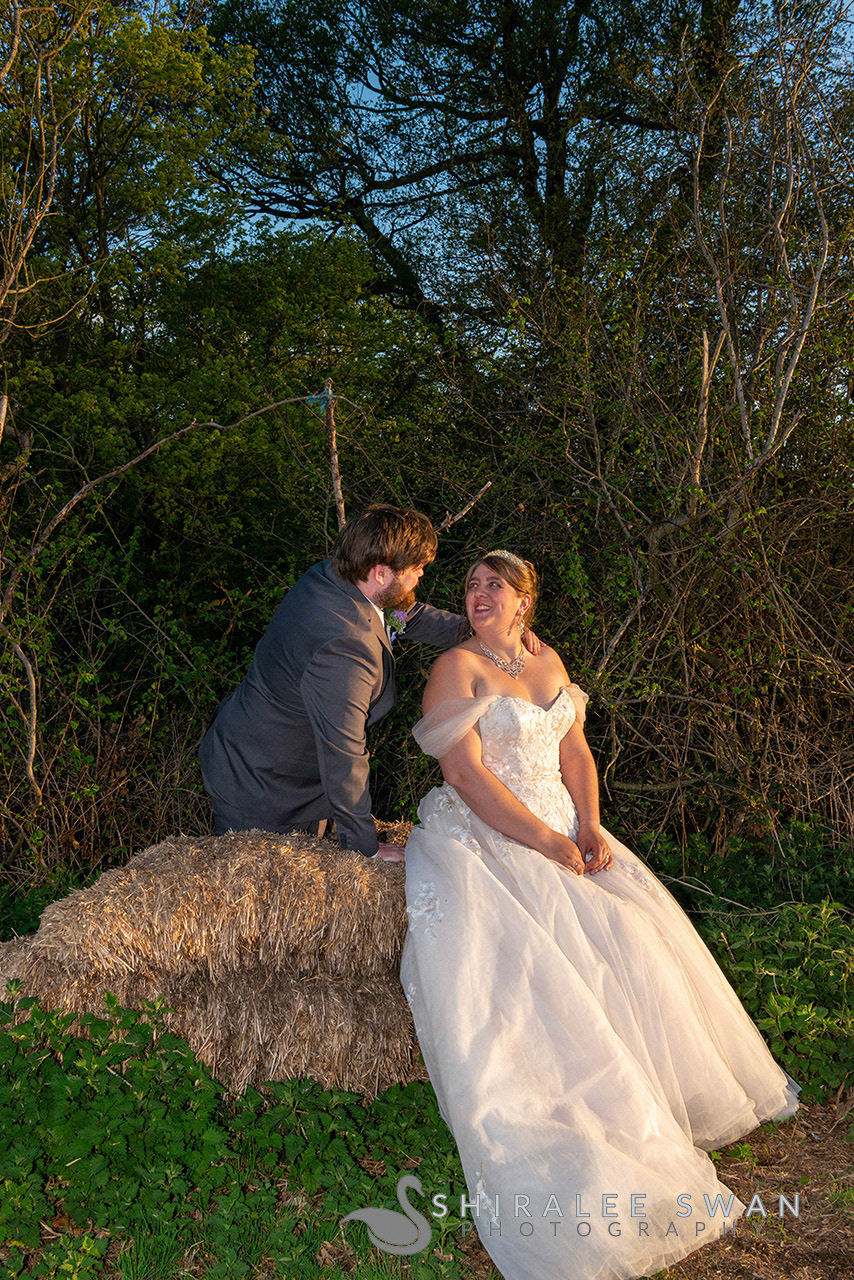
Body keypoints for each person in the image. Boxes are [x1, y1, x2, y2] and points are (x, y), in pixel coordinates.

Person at [400, 550, 800, 1280]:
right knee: (546, 975)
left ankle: (651, 1106)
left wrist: (586, 824)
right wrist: (545, 839)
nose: (479, 594)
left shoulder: (548, 661)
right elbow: (466, 774)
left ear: (526, 601)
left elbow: (575, 749)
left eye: (496, 586)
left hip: (565, 830)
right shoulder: (455, 669)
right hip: (493, 837)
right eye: (471, 585)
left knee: (637, 943)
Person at [198, 507, 539, 860]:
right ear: (380, 573)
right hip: (265, 786)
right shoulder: (344, 644)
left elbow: (404, 615)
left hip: (267, 755)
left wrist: (481, 632)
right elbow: (344, 751)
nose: (421, 576)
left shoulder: (339, 574)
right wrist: (364, 847)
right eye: (416, 570)